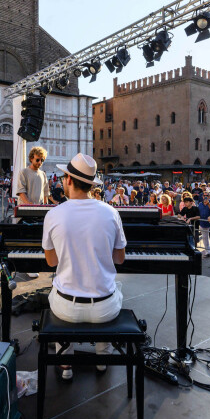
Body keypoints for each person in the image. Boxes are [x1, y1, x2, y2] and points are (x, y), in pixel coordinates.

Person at [42, 153, 125, 381]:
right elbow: (119, 259)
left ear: (68, 180)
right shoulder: (111, 212)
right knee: (114, 289)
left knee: (55, 293)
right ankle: (102, 358)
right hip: (104, 308)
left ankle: (66, 362)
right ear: (91, 184)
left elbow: (51, 262)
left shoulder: (53, 214)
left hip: (66, 308)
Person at [197, 192, 210, 258]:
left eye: (207, 195)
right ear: (202, 196)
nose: (205, 196)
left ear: (209, 196)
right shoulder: (200, 204)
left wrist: (209, 204)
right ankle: (207, 252)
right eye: (204, 195)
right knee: (204, 238)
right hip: (202, 223)